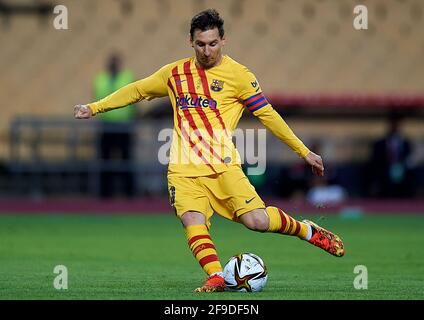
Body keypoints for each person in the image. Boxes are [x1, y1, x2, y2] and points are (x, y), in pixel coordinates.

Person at [74, 9, 345, 292]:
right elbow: (138, 90)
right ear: (191, 42)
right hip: (183, 168)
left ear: (223, 41)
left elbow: (269, 116)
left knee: (257, 221)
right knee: (192, 220)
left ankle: (308, 230)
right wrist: (94, 107)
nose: (207, 51)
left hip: (223, 166)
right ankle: (216, 275)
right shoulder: (175, 73)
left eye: (213, 44)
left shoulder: (239, 76)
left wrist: (303, 152)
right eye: (200, 44)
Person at [94, 53, 136, 198]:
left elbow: (135, 101)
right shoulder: (101, 79)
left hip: (124, 126)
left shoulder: (127, 77)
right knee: (105, 160)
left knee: (126, 160)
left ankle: (129, 194)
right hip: (106, 126)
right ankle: (105, 194)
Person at [369, 114, 413, 198]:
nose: (395, 127)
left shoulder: (406, 143)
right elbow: (375, 160)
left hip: (402, 172)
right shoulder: (380, 143)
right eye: (393, 125)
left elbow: (409, 157)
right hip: (385, 173)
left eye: (397, 125)